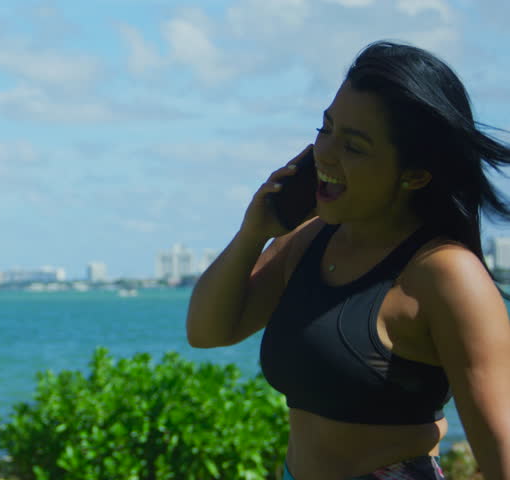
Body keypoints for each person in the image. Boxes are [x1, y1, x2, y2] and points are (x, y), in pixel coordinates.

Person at [186, 40, 510, 480]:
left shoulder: (446, 275)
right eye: (326, 128)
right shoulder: (310, 238)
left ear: (414, 174)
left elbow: (500, 447)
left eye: (354, 146)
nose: (325, 153)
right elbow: (208, 332)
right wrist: (252, 235)